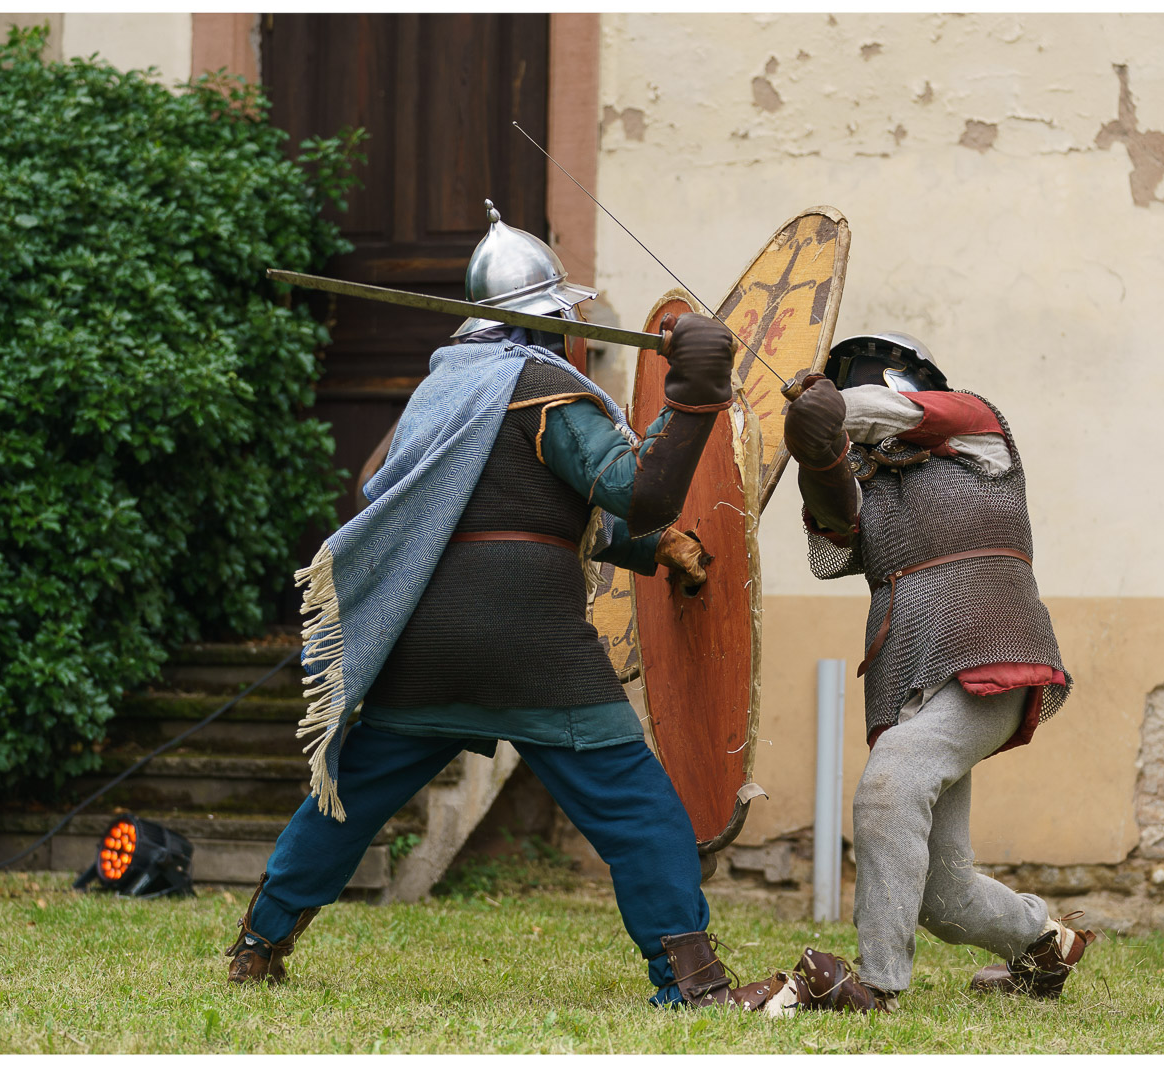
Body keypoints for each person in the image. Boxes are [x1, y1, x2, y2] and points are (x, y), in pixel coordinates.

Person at [226, 201, 771, 1009]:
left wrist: (653, 551)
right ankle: (692, 982)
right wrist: (692, 396)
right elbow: (639, 490)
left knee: (346, 798)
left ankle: (258, 948)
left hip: (423, 642)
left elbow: (455, 502)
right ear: (547, 324)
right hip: (530, 642)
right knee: (636, 807)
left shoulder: (436, 395)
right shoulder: (545, 387)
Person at [778, 332, 1095, 1009]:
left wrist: (831, 408)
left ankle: (876, 985)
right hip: (910, 674)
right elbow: (830, 548)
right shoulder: (869, 483)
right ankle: (1042, 941)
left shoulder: (980, 431)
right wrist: (818, 455)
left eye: (849, 391)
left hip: (990, 654)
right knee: (942, 895)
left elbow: (899, 414)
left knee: (888, 789)